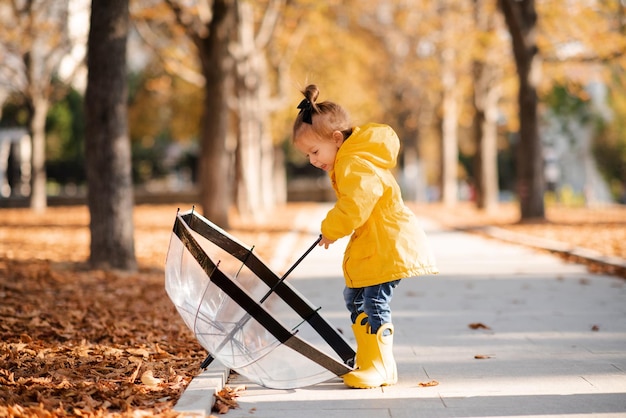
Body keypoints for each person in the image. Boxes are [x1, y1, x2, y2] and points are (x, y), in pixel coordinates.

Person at [292, 84, 439, 389]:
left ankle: (380, 367)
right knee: (355, 297)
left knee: (373, 301)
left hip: (388, 244)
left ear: (336, 139)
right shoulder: (350, 160)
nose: (312, 160)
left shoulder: (354, 163)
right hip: (378, 244)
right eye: (307, 155)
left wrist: (331, 228)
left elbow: (356, 204)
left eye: (315, 151)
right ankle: (372, 359)